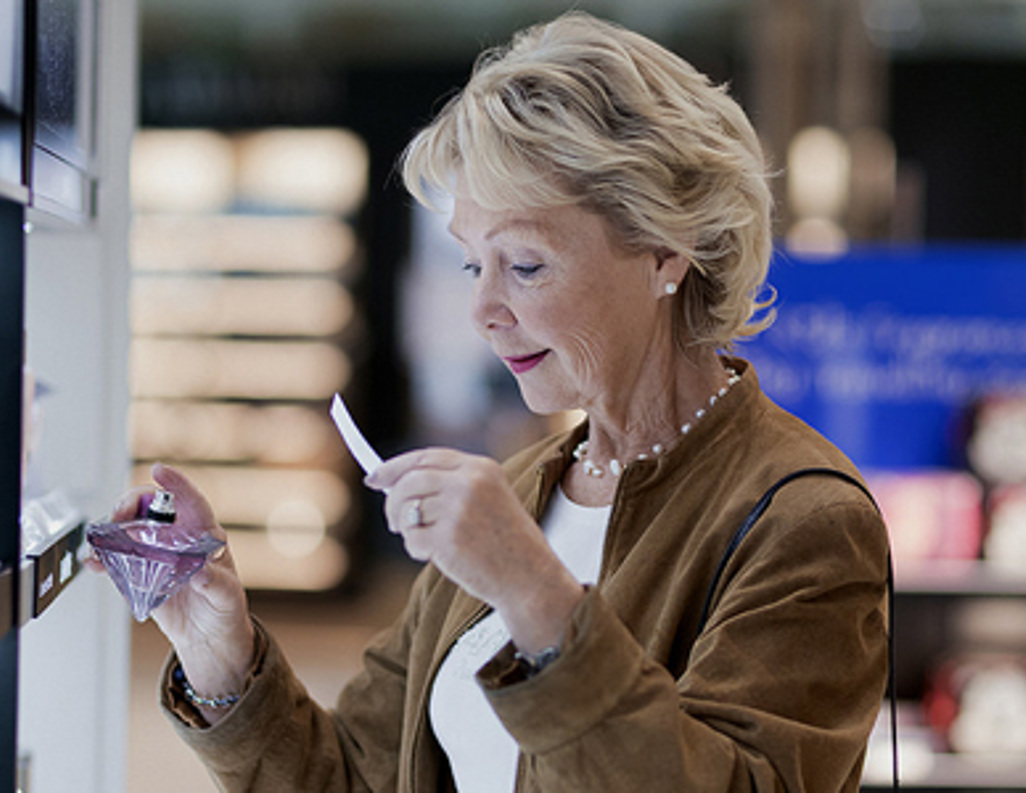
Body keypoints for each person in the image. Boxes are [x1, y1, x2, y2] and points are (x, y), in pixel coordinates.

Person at [107, 12, 890, 792]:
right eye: (471, 264)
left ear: (665, 252)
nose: (484, 310)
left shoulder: (803, 520)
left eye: (524, 264)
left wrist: (534, 593)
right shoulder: (521, 490)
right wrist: (223, 652)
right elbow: (356, 775)